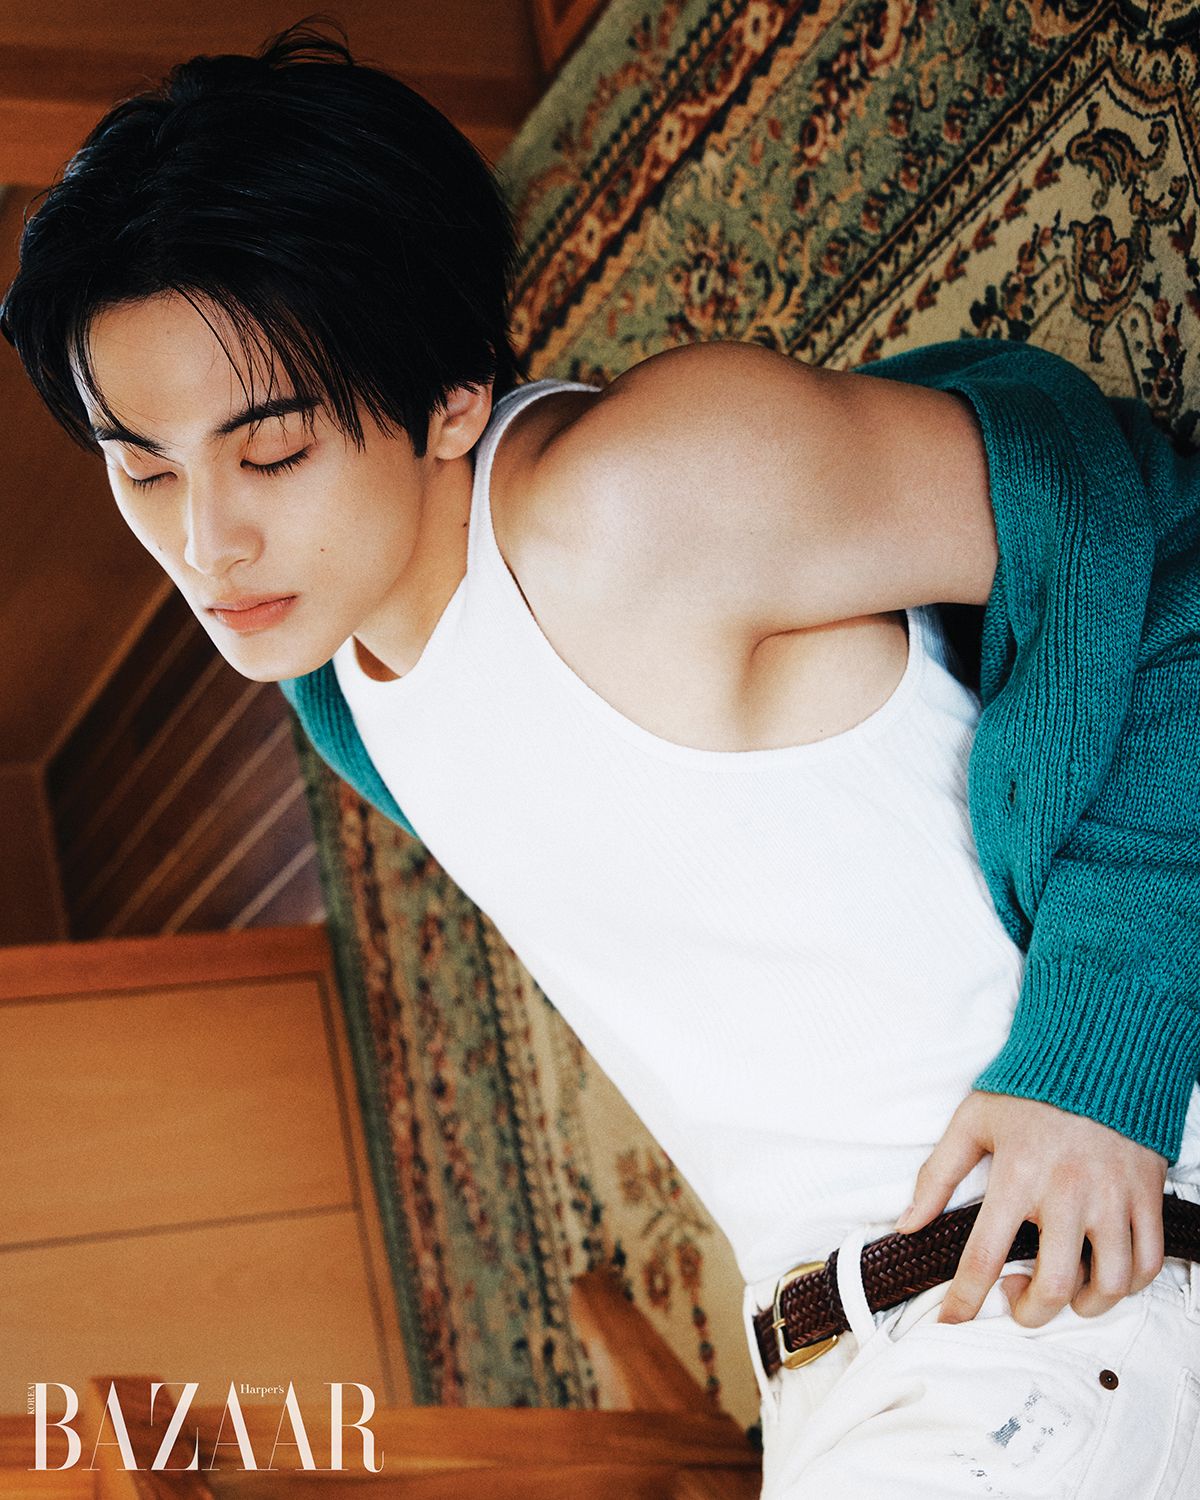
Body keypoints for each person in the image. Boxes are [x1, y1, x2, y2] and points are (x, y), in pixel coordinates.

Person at [2, 18, 1198, 1496]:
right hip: (854, 1376)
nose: (205, 544)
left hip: (1082, 1274)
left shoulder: (636, 502)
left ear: (451, 395)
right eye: (142, 466)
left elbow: (1169, 541)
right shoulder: (337, 677)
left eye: (272, 452)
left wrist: (1101, 1058)